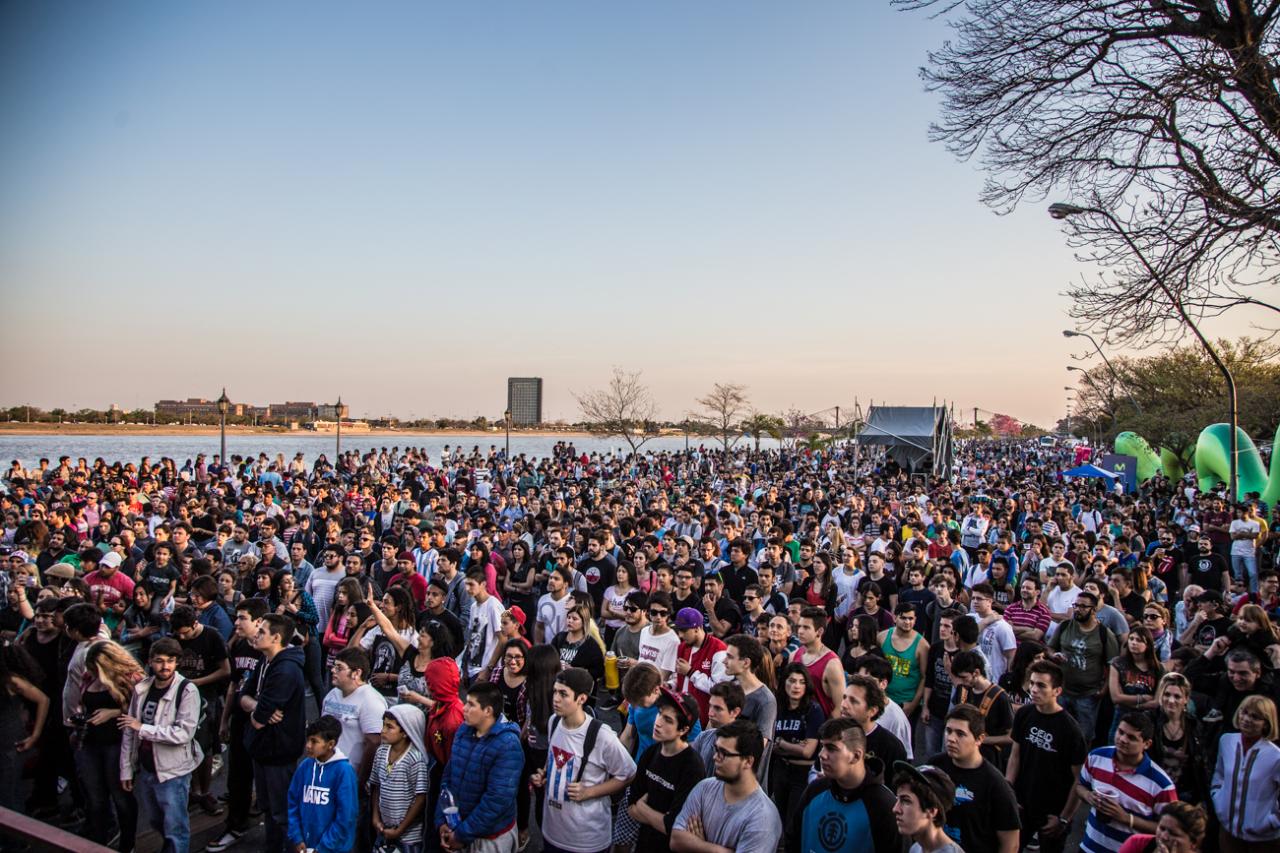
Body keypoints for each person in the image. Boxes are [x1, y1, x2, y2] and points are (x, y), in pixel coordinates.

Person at [531, 667, 636, 853]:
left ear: (581, 698)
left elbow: (628, 773)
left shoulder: (601, 735)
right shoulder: (554, 721)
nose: (555, 698)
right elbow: (555, 757)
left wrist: (590, 791)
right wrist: (545, 774)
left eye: (563, 694)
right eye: (554, 691)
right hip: (552, 832)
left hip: (586, 839)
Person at [119, 637, 203, 853]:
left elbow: (183, 733)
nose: (165, 666)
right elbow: (130, 731)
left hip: (173, 771)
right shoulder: (142, 689)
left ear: (177, 663)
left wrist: (143, 728)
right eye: (159, 661)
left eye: (170, 661)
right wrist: (126, 769)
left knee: (175, 828)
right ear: (150, 661)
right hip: (148, 769)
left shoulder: (187, 690)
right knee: (156, 820)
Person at [242, 613, 308, 853]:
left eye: (262, 632)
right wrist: (256, 707)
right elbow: (244, 696)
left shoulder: (285, 671)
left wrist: (256, 711)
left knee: (282, 813)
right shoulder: (265, 660)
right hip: (262, 749)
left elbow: (259, 721)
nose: (256, 635)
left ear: (276, 638)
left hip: (278, 751)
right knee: (268, 808)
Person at [1006, 659, 1088, 853]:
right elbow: (1015, 756)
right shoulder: (1024, 714)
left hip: (1053, 811)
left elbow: (1079, 778)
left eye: (1041, 685)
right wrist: (1009, 790)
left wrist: (1064, 818)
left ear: (1057, 691)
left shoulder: (1071, 730)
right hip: (1022, 804)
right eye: (1032, 683)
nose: (1034, 689)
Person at [787, 716, 901, 853]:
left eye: (831, 748)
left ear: (856, 756)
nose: (822, 755)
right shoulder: (815, 790)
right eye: (822, 747)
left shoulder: (884, 805)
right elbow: (792, 841)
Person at [209, 597, 269, 853]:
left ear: (258, 622)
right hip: (240, 720)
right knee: (238, 776)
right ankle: (236, 823)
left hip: (263, 724)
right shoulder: (239, 647)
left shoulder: (268, 651)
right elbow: (234, 684)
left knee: (266, 779)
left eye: (242, 618)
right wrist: (225, 719)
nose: (236, 622)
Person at [670, 719, 783, 853]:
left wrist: (697, 845)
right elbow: (676, 840)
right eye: (716, 750)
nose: (715, 757)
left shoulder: (763, 817)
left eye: (723, 753)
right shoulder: (704, 788)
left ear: (748, 761)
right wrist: (719, 851)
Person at [436, 681, 523, 852]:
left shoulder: (507, 745)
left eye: (471, 704)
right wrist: (442, 820)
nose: (464, 708)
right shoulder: (463, 731)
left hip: (489, 839)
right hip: (457, 829)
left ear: (488, 711)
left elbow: (497, 800)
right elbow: (448, 778)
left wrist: (462, 834)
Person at [1075, 712, 1177, 853]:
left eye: (1131, 737)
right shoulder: (1096, 757)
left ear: (1147, 744)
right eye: (1120, 732)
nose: (1122, 739)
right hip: (1088, 848)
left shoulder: (1161, 785)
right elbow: (1080, 786)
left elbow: (1170, 829)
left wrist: (1126, 818)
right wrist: (1088, 796)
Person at [925, 704, 1021, 853]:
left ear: (979, 739)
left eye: (960, 734)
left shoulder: (996, 786)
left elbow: (1011, 844)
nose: (951, 739)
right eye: (948, 731)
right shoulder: (935, 766)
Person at [75, 642, 140, 851]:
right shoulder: (88, 678)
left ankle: (127, 844)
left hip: (117, 743)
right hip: (90, 742)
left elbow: (141, 712)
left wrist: (113, 713)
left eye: (96, 668)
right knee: (95, 798)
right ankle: (99, 842)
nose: (92, 672)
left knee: (121, 796)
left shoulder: (130, 680)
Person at [627, 687, 706, 853]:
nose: (658, 722)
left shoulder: (692, 767)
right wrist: (658, 818)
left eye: (668, 720)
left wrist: (643, 808)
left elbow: (675, 827)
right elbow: (631, 807)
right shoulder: (651, 753)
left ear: (684, 730)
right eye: (659, 713)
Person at [1209, 695, 1280, 852]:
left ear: (1266, 723)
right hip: (1228, 831)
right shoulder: (1226, 741)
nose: (1246, 719)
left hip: (1264, 839)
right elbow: (1219, 774)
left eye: (1255, 717)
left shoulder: (1275, 756)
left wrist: (1272, 821)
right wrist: (1218, 800)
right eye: (1244, 712)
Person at [1048, 590, 1120, 744]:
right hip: (1062, 690)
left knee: (1084, 736)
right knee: (1058, 731)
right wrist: (1054, 655)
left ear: (1093, 610)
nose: (1078, 609)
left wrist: (1104, 689)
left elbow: (1113, 664)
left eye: (1083, 606)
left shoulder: (1104, 633)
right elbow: (1050, 648)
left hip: (1088, 694)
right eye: (1076, 605)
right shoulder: (1065, 625)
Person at [286, 714, 359, 853]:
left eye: (314, 741)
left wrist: (323, 847)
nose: (308, 745)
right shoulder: (305, 766)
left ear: (330, 744)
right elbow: (292, 802)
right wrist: (297, 837)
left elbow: (346, 816)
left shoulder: (344, 772)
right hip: (305, 846)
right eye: (308, 740)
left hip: (333, 849)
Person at [770, 663, 824, 826]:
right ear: (784, 682)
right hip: (780, 769)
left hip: (802, 772)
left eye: (801, 682)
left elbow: (807, 751)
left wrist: (782, 744)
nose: (796, 686)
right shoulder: (777, 707)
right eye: (792, 681)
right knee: (779, 818)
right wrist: (795, 746)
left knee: (794, 821)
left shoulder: (813, 710)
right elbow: (769, 744)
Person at [370, 704, 430, 853]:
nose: (383, 731)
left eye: (389, 727)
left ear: (405, 732)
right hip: (384, 829)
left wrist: (400, 829)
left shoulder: (414, 759)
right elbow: (377, 786)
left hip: (408, 836)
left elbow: (420, 798)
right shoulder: (381, 752)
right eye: (383, 725)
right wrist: (375, 817)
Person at [674, 607, 728, 726]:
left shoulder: (718, 650)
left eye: (684, 630)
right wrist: (670, 684)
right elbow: (680, 678)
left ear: (697, 628)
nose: (680, 635)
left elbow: (719, 690)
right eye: (679, 630)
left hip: (704, 719)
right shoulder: (683, 647)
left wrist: (691, 673)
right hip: (681, 715)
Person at [892, 762, 963, 853]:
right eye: (897, 799)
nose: (895, 809)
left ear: (932, 811)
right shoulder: (916, 848)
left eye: (906, 801)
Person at [840, 674, 907, 769]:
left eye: (853, 701)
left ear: (872, 711)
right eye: (844, 697)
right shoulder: (834, 732)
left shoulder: (891, 747)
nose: (844, 705)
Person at [878, 602, 930, 718]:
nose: (907, 622)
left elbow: (924, 677)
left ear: (915, 619)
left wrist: (913, 705)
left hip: (906, 703)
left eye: (910, 618)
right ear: (895, 618)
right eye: (903, 618)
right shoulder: (882, 637)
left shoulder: (922, 645)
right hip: (883, 699)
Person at [790, 606, 844, 718]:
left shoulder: (832, 664)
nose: (800, 631)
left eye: (806, 627)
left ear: (819, 631)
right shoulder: (794, 655)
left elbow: (840, 707)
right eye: (799, 626)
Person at [1116, 801, 1208, 853]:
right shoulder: (1137, 843)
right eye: (1162, 828)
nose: (1163, 836)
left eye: (1173, 834)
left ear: (1193, 844)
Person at [637, 591, 679, 680]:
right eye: (654, 612)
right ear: (648, 613)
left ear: (668, 614)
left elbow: (664, 675)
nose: (658, 617)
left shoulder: (673, 640)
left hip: (655, 688)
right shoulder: (644, 631)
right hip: (640, 682)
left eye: (663, 613)